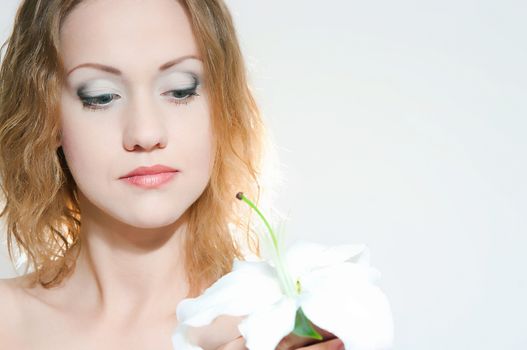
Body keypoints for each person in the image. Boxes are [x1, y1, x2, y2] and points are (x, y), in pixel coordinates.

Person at [0, 0, 344, 349]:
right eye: (101, 96)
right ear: (46, 115)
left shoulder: (286, 328)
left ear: (223, 105)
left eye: (181, 90)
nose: (145, 134)